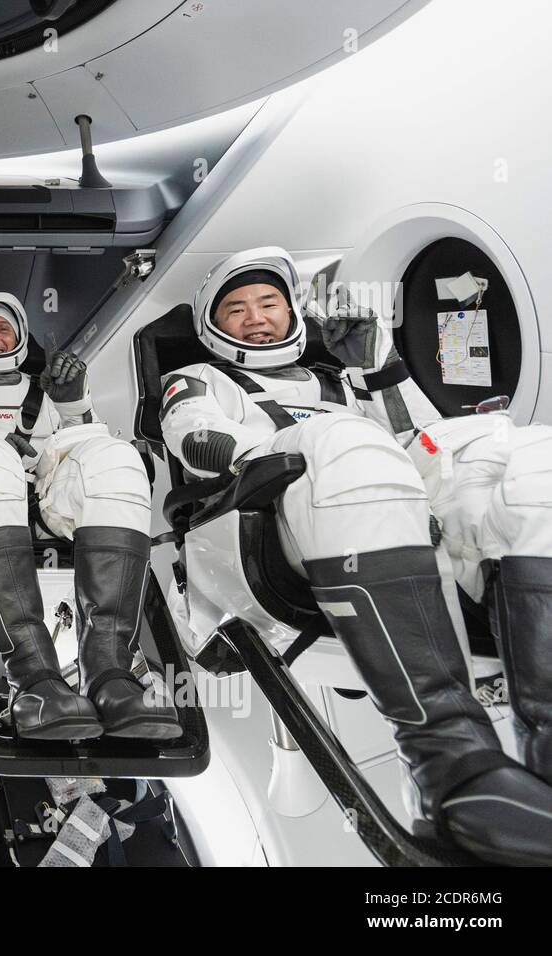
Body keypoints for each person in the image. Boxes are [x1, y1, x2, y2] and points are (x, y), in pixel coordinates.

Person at [159, 245, 552, 864]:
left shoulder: (337, 380)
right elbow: (193, 434)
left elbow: (421, 441)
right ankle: (450, 766)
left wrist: (380, 366)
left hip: (389, 506)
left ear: (292, 311)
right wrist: (274, 454)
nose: (256, 316)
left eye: (269, 302)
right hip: (265, 521)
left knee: (520, 454)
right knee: (344, 440)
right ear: (214, 327)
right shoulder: (200, 379)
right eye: (236, 309)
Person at [0, 293, 180, 741]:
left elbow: (85, 449)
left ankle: (108, 673)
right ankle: (32, 677)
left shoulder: (46, 392)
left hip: (46, 506)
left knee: (116, 455)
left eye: (2, 328)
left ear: (20, 338)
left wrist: (72, 408)